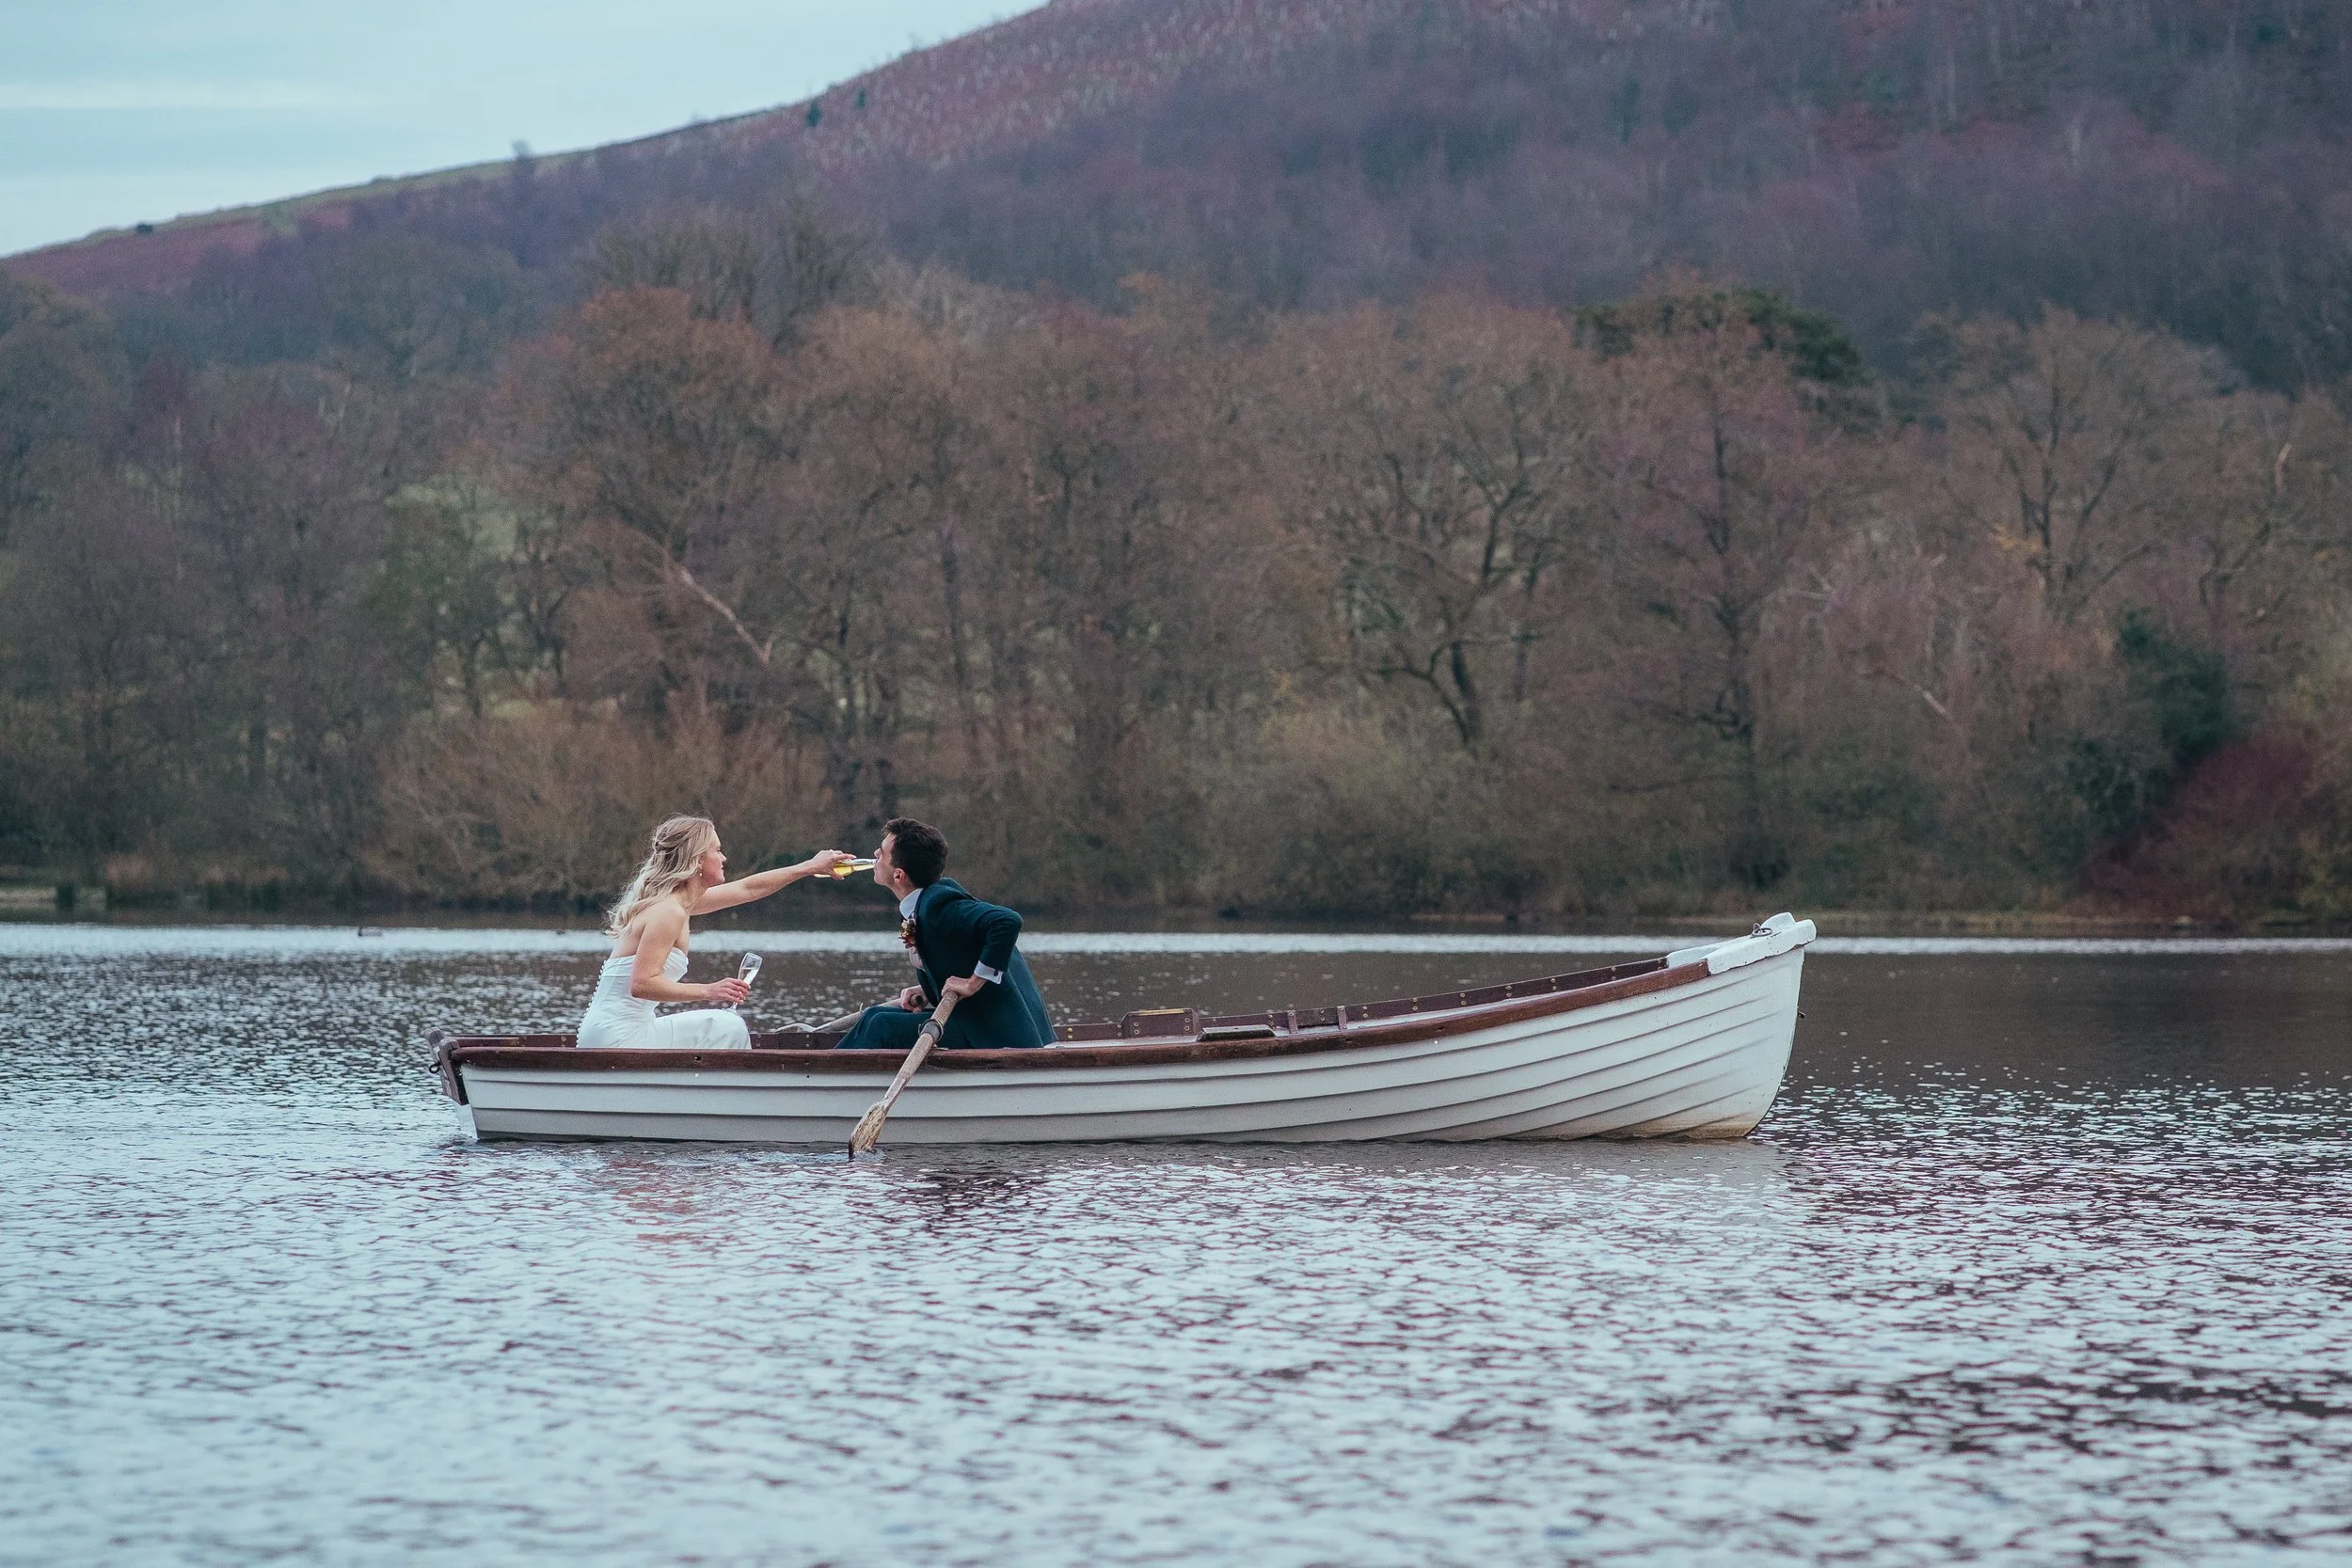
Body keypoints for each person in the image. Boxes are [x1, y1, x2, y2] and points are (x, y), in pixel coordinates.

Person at [578, 815, 851, 1050]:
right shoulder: (668, 912)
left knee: (724, 1025)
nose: (724, 857)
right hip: (616, 1037)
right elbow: (642, 984)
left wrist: (809, 867)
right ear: (697, 859)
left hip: (614, 1032)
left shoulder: (679, 904)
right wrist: (710, 990)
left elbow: (749, 889)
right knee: (726, 1025)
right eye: (717, 850)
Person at [834, 817, 1055, 1052]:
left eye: (883, 853)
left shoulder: (941, 906)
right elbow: (956, 955)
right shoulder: (921, 904)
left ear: (899, 876)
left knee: (881, 1024)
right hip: (973, 1022)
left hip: (995, 1034)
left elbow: (1007, 921)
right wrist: (928, 989)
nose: (876, 853)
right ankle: (829, 1068)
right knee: (874, 1015)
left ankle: (822, 1077)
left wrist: (972, 983)